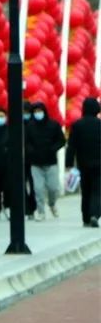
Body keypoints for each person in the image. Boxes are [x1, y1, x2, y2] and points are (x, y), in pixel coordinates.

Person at [25, 101, 65, 220]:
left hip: (51, 162)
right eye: (36, 112)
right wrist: (31, 151)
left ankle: (52, 204)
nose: (38, 114)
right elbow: (26, 142)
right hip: (35, 164)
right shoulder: (30, 127)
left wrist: (53, 149)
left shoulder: (53, 125)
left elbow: (61, 140)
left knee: (53, 188)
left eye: (40, 111)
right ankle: (41, 211)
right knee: (38, 189)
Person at [65, 97, 100, 228]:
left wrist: (68, 163)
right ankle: (94, 214)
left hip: (83, 164)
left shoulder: (77, 125)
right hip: (99, 164)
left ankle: (85, 218)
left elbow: (71, 145)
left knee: (86, 191)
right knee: (97, 191)